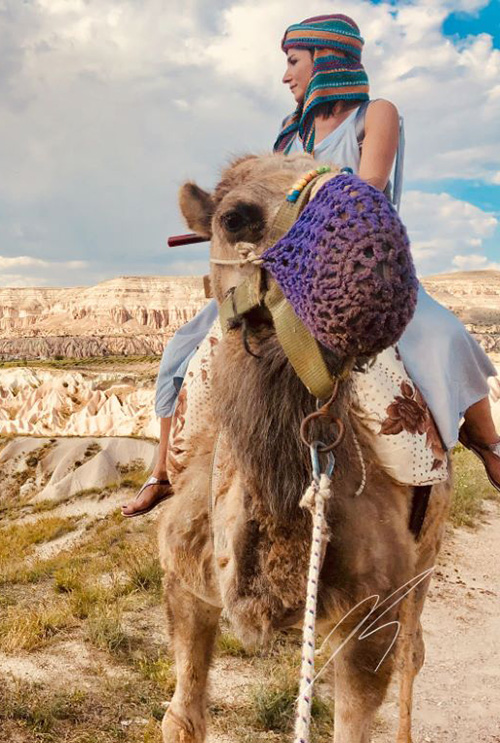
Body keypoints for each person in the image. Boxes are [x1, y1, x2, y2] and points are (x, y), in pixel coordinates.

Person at [122, 13, 500, 517]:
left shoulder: (375, 115)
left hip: (357, 268)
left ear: (325, 59)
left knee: (442, 334)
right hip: (284, 272)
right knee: (183, 348)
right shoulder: (288, 140)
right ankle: (163, 472)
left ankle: (485, 440)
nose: (286, 76)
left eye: (293, 61)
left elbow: (363, 195)